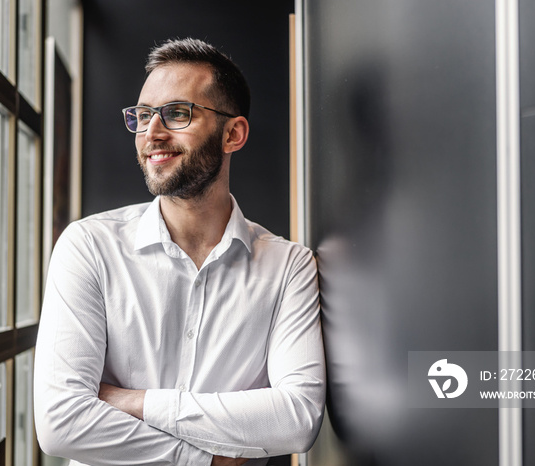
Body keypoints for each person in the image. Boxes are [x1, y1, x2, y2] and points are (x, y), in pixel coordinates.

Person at [34, 38, 326, 466]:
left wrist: (136, 402)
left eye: (176, 113)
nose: (151, 133)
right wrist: (205, 459)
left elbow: (297, 420)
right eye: (143, 115)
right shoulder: (88, 247)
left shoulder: (288, 267)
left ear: (233, 134)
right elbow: (61, 423)